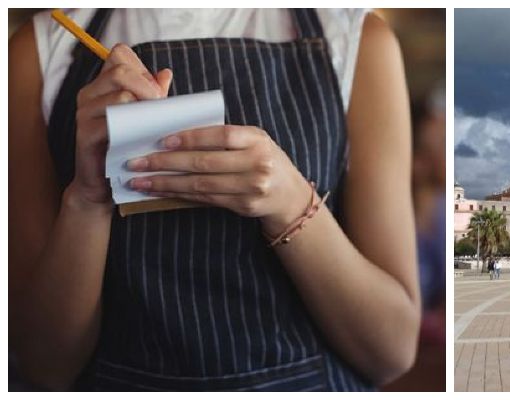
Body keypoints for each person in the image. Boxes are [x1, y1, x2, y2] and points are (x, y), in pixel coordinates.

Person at [9, 9, 421, 391]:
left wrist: (290, 202)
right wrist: (87, 197)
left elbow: (392, 350)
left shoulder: (357, 40)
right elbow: (43, 367)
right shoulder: (41, 48)